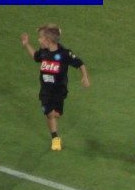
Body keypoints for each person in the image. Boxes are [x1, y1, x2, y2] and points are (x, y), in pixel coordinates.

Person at [20, 23, 90, 151]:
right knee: (49, 113)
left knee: (56, 114)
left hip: (59, 90)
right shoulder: (43, 52)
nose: (39, 40)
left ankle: (54, 117)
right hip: (46, 91)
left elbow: (80, 63)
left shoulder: (64, 54)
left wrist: (85, 77)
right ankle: (55, 138)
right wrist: (26, 44)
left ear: (48, 40)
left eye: (41, 38)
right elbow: (35, 56)